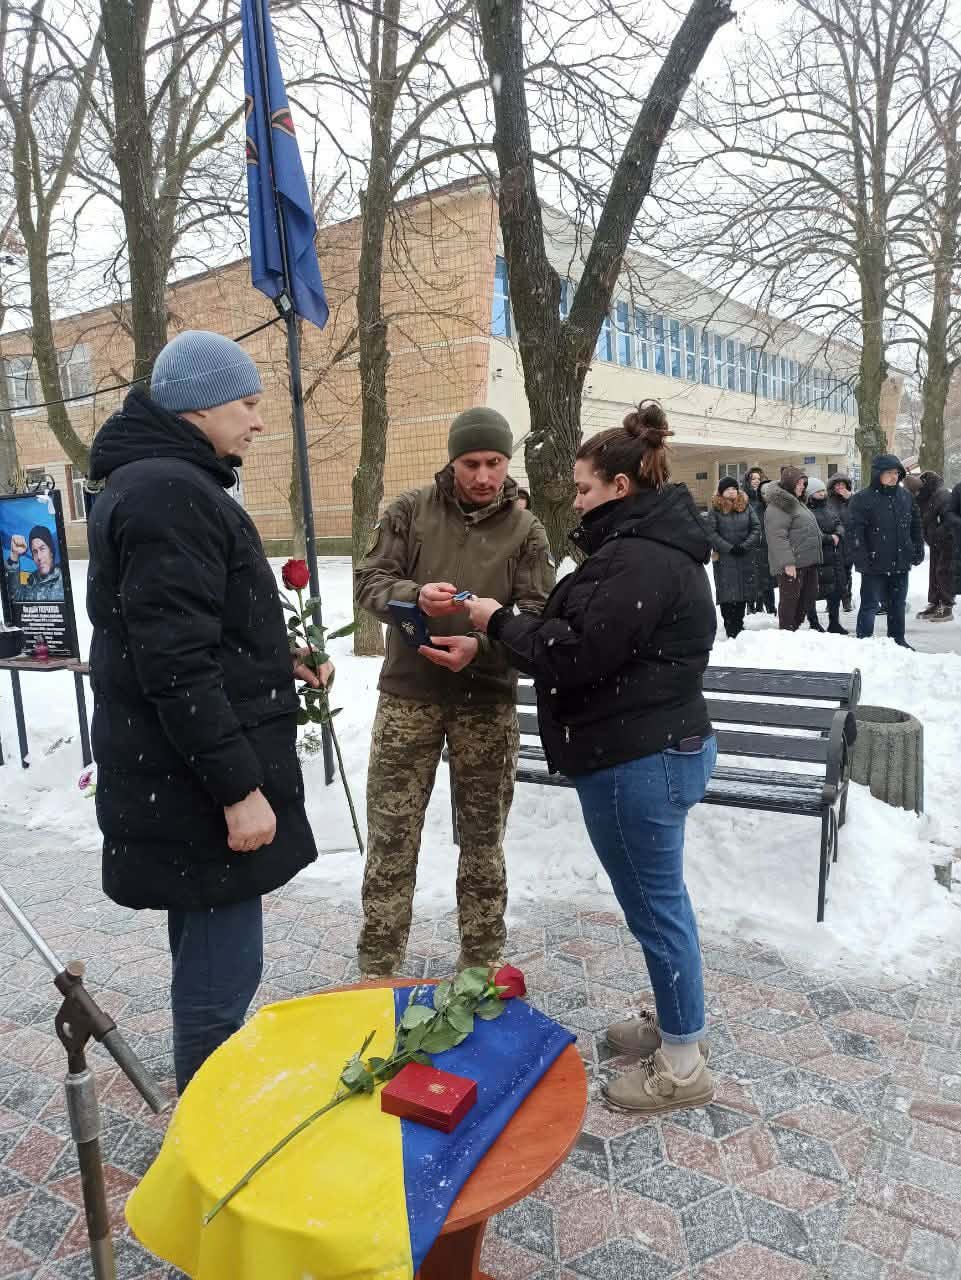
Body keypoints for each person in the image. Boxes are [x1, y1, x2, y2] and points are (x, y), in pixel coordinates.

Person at [86, 330, 328, 1093]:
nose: (258, 422)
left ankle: (210, 1124)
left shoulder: (162, 481)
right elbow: (175, 663)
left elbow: (178, 633)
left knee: (207, 958)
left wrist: (270, 660)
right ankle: (211, 1151)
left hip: (175, 773)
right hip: (195, 785)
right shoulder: (171, 491)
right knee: (220, 984)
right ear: (199, 405)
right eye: (249, 403)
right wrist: (237, 789)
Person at [464, 401, 718, 1117]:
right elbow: (585, 633)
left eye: (582, 488)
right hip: (646, 749)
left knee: (655, 911)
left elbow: (576, 654)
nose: (574, 500)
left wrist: (497, 621)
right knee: (657, 907)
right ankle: (675, 1023)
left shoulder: (639, 556)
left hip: (638, 759)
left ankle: (680, 1061)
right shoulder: (640, 548)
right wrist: (511, 630)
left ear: (619, 486)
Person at [354, 407, 554, 977]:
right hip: (408, 696)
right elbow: (369, 582)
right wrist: (415, 597)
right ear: (452, 459)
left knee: (484, 843)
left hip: (485, 701)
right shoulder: (408, 512)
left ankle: (482, 965)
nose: (485, 476)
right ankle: (378, 966)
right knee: (392, 838)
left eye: (495, 462)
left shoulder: (526, 529)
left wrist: (480, 644)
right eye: (472, 463)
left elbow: (536, 619)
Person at [847, 454, 924, 649]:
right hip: (874, 564)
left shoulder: (905, 496)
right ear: (877, 474)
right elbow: (855, 532)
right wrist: (863, 560)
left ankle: (897, 640)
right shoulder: (862, 499)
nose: (893, 477)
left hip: (900, 561)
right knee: (870, 605)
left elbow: (915, 525)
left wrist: (917, 548)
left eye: (896, 473)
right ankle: (864, 642)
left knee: (897, 605)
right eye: (888, 472)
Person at [761, 467, 823, 631]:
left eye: (804, 483)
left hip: (805, 562)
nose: (803, 487)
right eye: (800, 483)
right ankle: (787, 633)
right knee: (790, 603)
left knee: (806, 598)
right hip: (792, 564)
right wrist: (788, 563)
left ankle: (794, 630)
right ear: (790, 484)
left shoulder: (796, 502)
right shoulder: (779, 506)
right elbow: (777, 538)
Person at [704, 476, 760, 639]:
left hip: (744, 556)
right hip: (725, 559)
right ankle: (730, 625)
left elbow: (756, 528)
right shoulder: (715, 509)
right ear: (722, 491)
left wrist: (744, 546)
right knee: (728, 594)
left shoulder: (746, 506)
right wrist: (729, 548)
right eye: (728, 489)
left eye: (734, 488)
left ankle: (739, 623)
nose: (732, 491)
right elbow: (711, 533)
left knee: (742, 592)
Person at [804, 478, 848, 634]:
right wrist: (830, 538)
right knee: (813, 591)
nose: (822, 494)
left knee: (835, 591)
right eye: (818, 491)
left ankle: (834, 622)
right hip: (817, 557)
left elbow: (839, 523)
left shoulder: (829, 508)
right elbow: (810, 533)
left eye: (823, 490)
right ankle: (814, 622)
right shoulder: (806, 511)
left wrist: (838, 534)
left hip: (834, 557)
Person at [909, 472, 955, 623]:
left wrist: (938, 534)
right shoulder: (926, 498)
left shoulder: (942, 496)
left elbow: (950, 520)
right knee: (934, 573)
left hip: (948, 542)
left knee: (944, 572)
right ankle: (935, 603)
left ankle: (947, 606)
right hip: (936, 542)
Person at [743, 467, 775, 614]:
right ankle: (751, 605)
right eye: (753, 478)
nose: (756, 481)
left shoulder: (767, 500)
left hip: (767, 543)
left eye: (758, 479)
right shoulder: (743, 499)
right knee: (751, 575)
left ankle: (768, 605)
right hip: (751, 543)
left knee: (766, 575)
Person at [5, 525, 65, 602]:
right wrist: (14, 555)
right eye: (35, 552)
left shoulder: (64, 581)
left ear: (51, 552)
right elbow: (14, 598)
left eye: (42, 549)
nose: (39, 557)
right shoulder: (31, 583)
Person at [825, 473, 855, 611]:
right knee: (832, 573)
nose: (840, 487)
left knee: (846, 572)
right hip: (834, 540)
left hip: (848, 541)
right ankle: (831, 600)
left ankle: (846, 599)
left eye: (843, 485)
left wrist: (850, 499)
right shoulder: (827, 501)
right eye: (837, 485)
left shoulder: (852, 499)